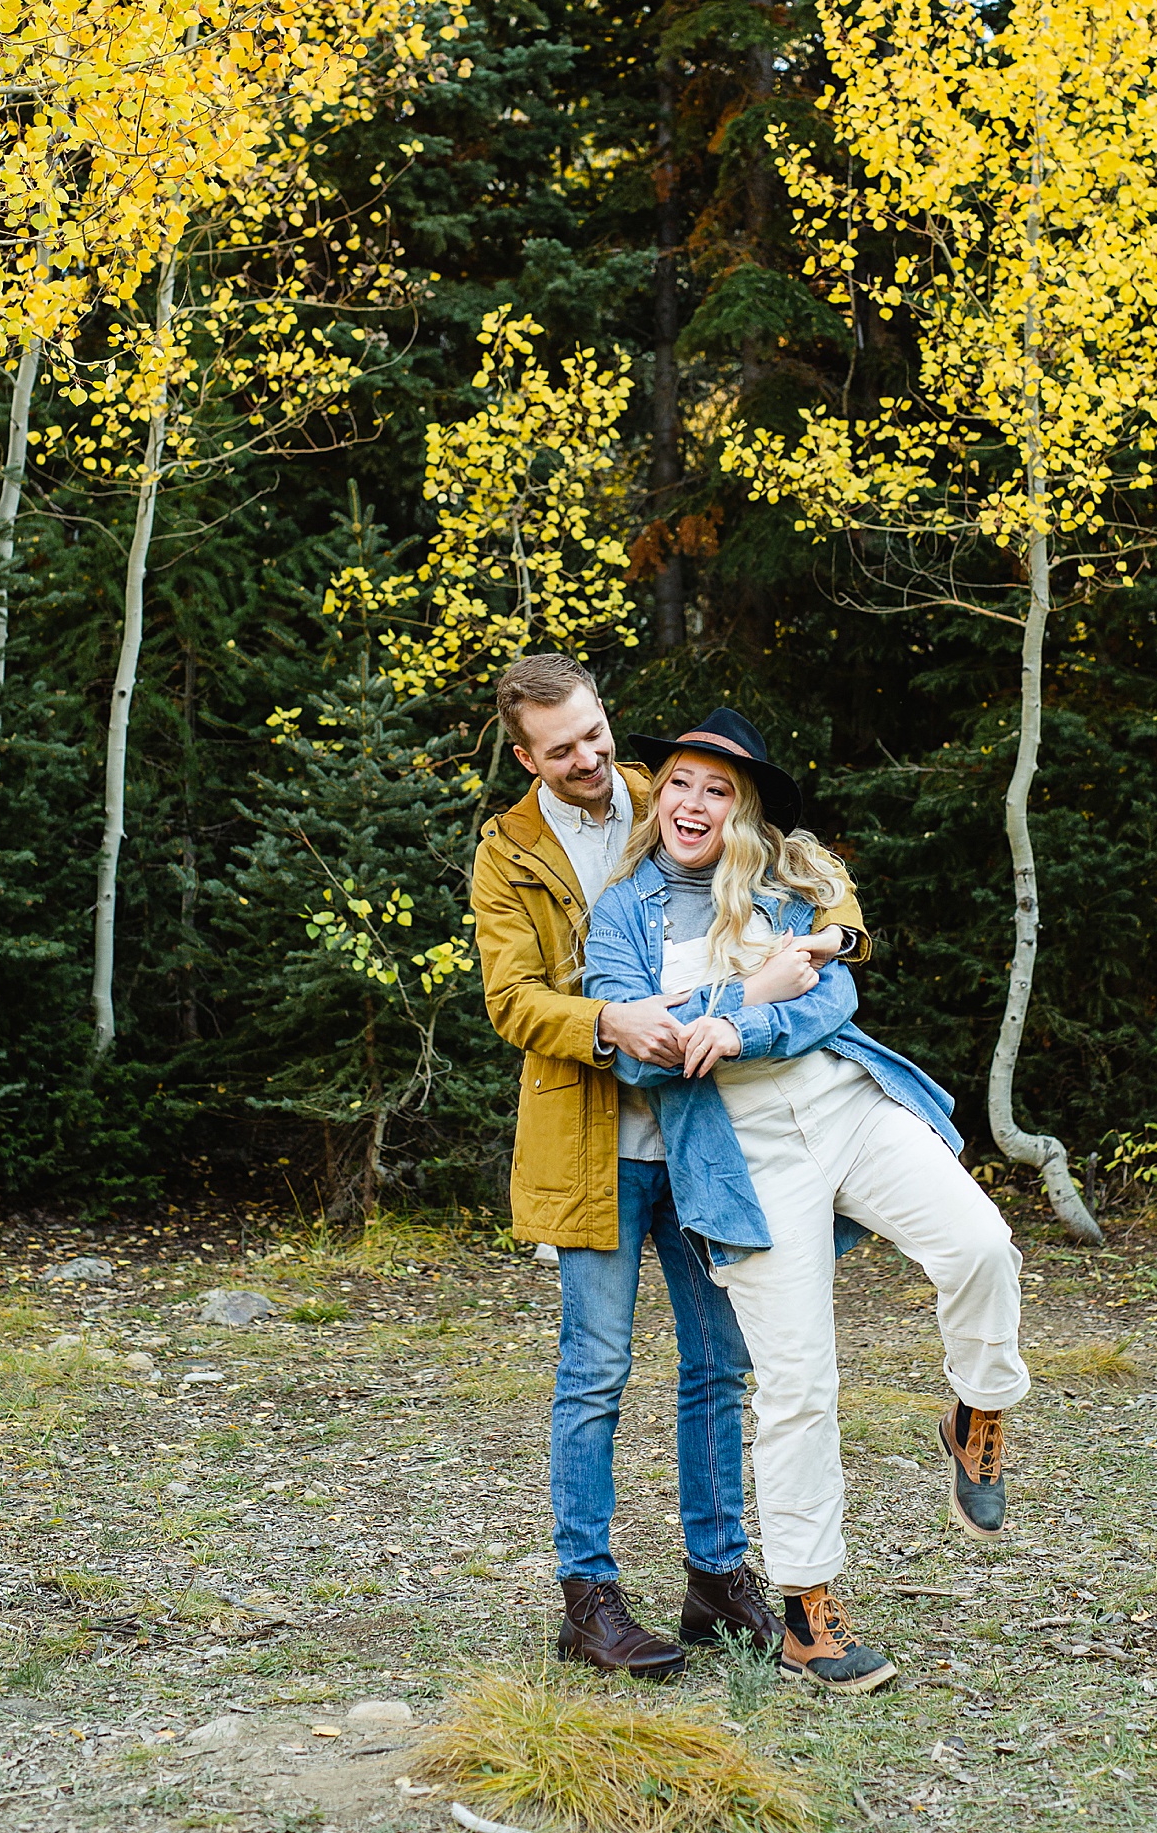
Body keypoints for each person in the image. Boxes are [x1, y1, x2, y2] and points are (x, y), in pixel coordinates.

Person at [583, 710, 1029, 1695]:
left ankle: (978, 1407)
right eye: (681, 783)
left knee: (982, 1245)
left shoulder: (782, 885)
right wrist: (751, 991)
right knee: (795, 1383)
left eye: (718, 787)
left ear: (740, 806)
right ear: (656, 795)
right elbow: (636, 1046)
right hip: (741, 1156)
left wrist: (739, 1025)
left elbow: (829, 1002)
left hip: (845, 1103)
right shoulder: (621, 913)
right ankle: (808, 1615)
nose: (694, 803)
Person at [470, 655, 870, 1681]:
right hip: (593, 1138)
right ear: (526, 756)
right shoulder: (507, 854)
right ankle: (588, 1596)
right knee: (595, 1368)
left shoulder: (673, 790)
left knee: (717, 1362)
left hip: (706, 1141)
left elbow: (803, 870)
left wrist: (828, 939)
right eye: (562, 750)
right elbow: (511, 1000)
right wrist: (605, 1016)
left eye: (597, 734)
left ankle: (715, 1575)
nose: (591, 759)